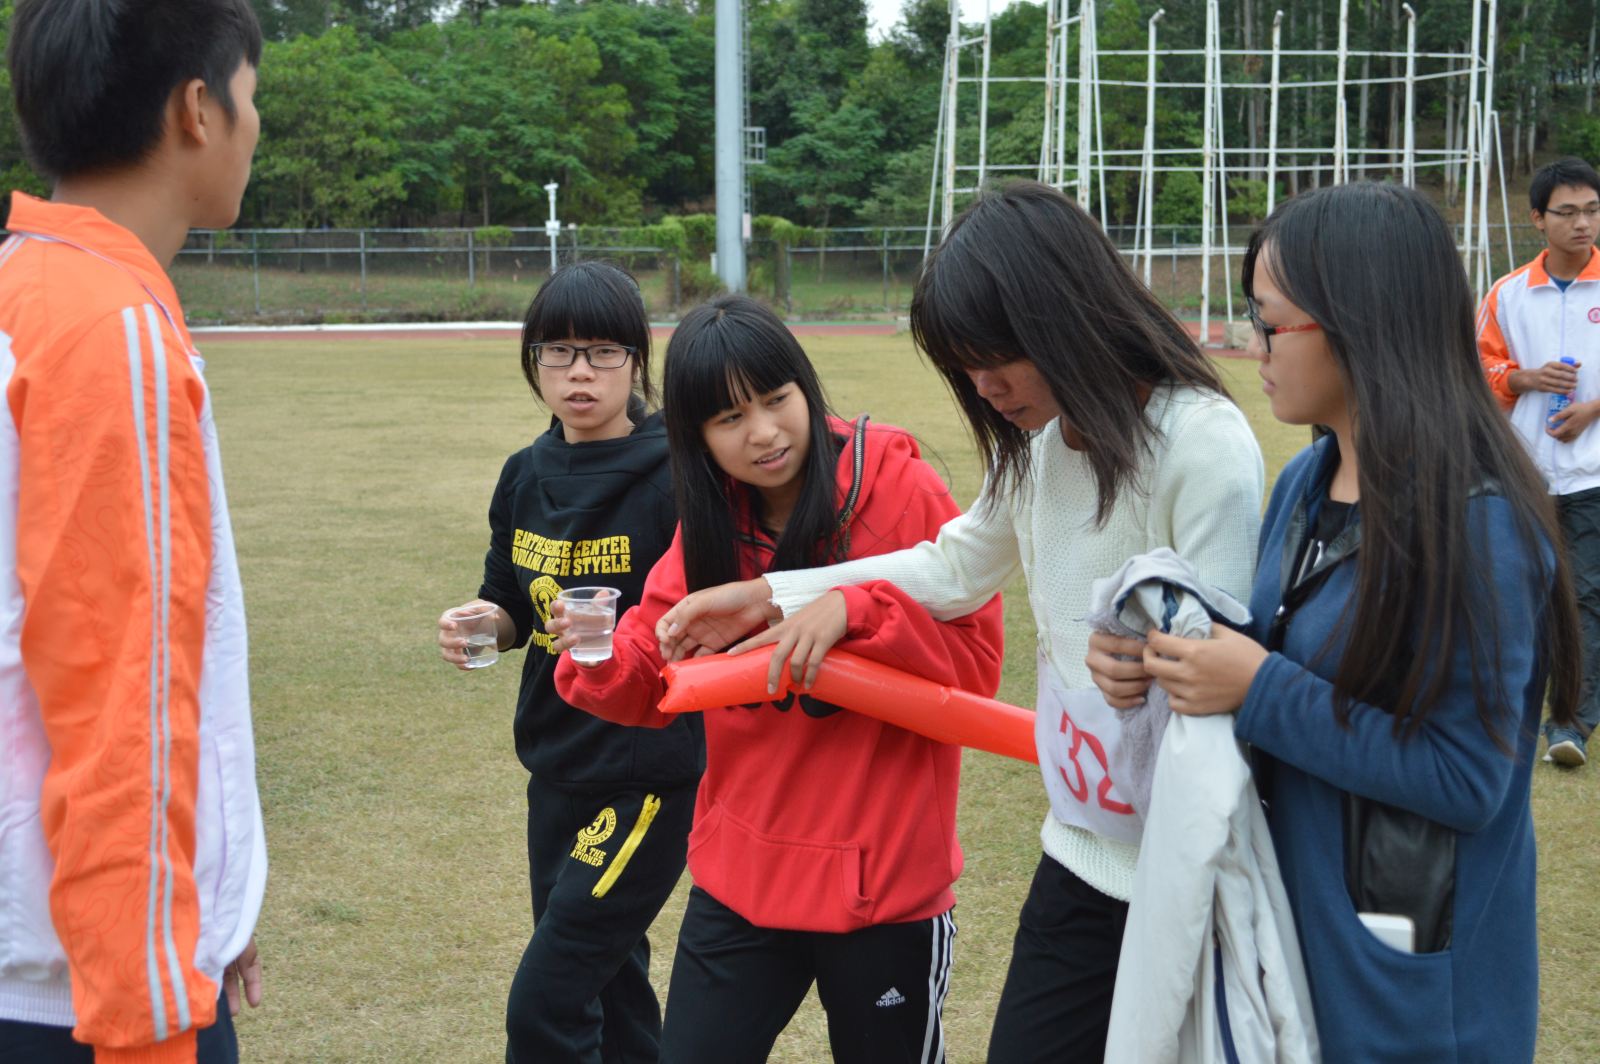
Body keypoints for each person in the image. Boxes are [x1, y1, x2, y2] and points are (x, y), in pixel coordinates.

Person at [654, 181, 1265, 1064]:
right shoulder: (1041, 449)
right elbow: (953, 566)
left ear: (1065, 315)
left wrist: (1165, 661)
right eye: (966, 366)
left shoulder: (1202, 442)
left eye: (998, 358)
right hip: (1081, 851)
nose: (985, 388)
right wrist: (776, 595)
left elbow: (1229, 665)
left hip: (1190, 868)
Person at [1110, 182, 1579, 1062]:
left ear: (1359, 324)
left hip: (1410, 995)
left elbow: (1466, 778)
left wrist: (1256, 688)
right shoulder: (1306, 480)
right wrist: (1166, 658)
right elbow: (1282, 655)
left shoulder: (1476, 523)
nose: (1252, 346)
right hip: (1298, 948)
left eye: (1269, 322)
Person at [551, 295, 1004, 1064]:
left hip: (883, 886)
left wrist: (855, 612)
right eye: (730, 418)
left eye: (776, 398)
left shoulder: (897, 488)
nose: (763, 432)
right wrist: (594, 653)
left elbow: (975, 670)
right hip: (743, 879)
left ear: (806, 388)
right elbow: (654, 668)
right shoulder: (711, 520)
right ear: (697, 438)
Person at [0, 0, 269, 1060]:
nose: (256, 125)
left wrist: (216, 895)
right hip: (88, 990)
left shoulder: (30, 287)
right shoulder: (106, 328)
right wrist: (152, 991)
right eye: (252, 97)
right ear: (197, 110)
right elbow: (123, 691)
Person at [435, 261, 702, 1064]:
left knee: (547, 1000)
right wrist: (485, 623)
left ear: (636, 361)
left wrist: (629, 639)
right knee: (608, 982)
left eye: (603, 352)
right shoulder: (524, 474)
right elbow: (507, 601)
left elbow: (702, 614)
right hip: (555, 764)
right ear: (534, 362)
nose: (579, 372)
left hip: (643, 774)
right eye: (558, 351)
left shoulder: (677, 475)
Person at [1476, 156, 1600, 768]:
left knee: (1586, 598)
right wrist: (1523, 378)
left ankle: (1570, 723)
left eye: (1593, 210)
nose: (1583, 224)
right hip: (1521, 473)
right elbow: (1477, 368)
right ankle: (1505, 713)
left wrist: (1593, 409)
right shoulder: (1507, 293)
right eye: (1568, 212)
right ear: (1537, 219)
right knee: (1518, 594)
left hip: (1594, 473)